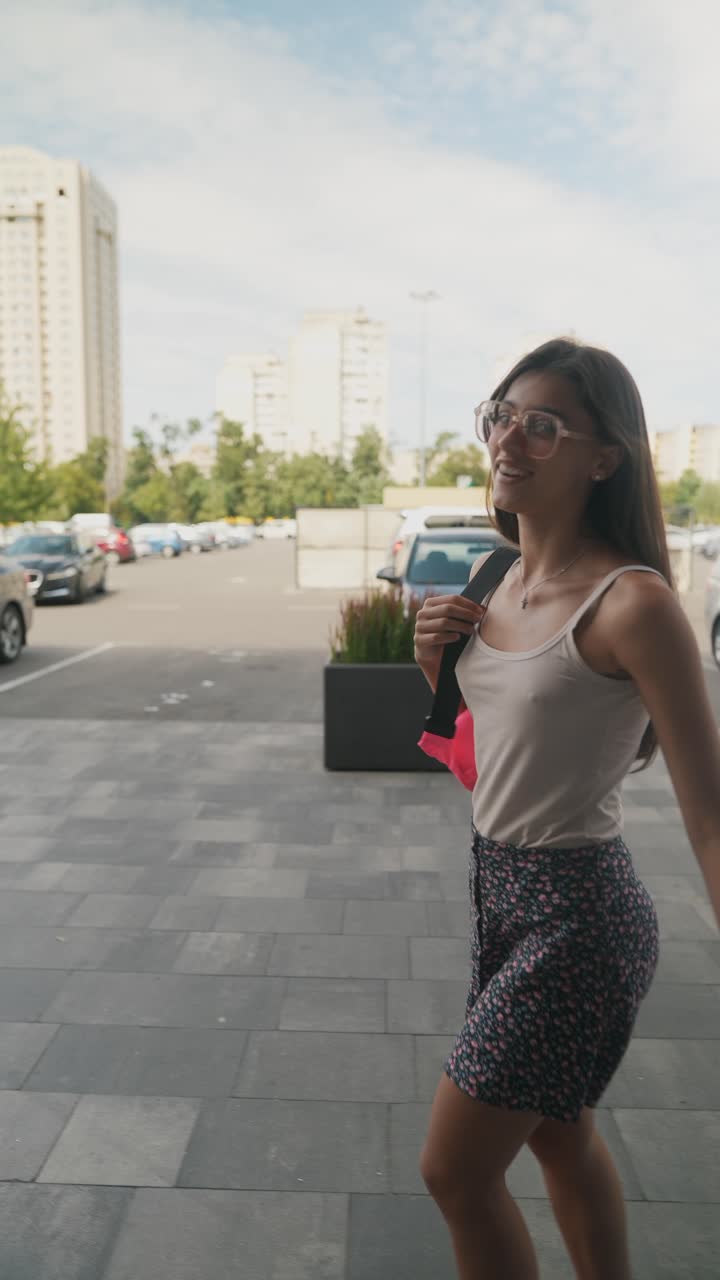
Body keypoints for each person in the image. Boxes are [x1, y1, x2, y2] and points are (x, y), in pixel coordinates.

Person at [413, 337, 720, 1280]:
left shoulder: (634, 604)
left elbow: (709, 811)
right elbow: (496, 767)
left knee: (455, 1173)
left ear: (603, 457)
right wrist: (438, 672)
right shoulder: (497, 580)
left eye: (541, 425)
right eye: (501, 416)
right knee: (555, 1137)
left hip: (578, 918)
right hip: (498, 891)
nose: (510, 438)